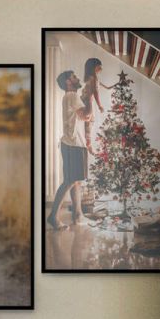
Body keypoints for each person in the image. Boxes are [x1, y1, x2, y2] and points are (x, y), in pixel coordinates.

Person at [45, 70, 93, 231]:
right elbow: (86, 116)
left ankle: (77, 215)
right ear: (68, 82)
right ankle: (53, 217)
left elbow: (82, 116)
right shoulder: (72, 96)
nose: (77, 78)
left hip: (71, 143)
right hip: (73, 144)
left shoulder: (69, 97)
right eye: (73, 77)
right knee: (70, 180)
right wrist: (91, 95)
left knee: (75, 180)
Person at [80, 58, 114, 154]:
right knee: (89, 121)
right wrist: (100, 105)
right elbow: (95, 92)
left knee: (89, 121)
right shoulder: (93, 78)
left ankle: (88, 144)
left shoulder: (94, 78)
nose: (101, 68)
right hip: (87, 101)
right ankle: (88, 145)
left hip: (86, 100)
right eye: (99, 66)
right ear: (94, 67)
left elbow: (105, 87)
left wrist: (115, 85)